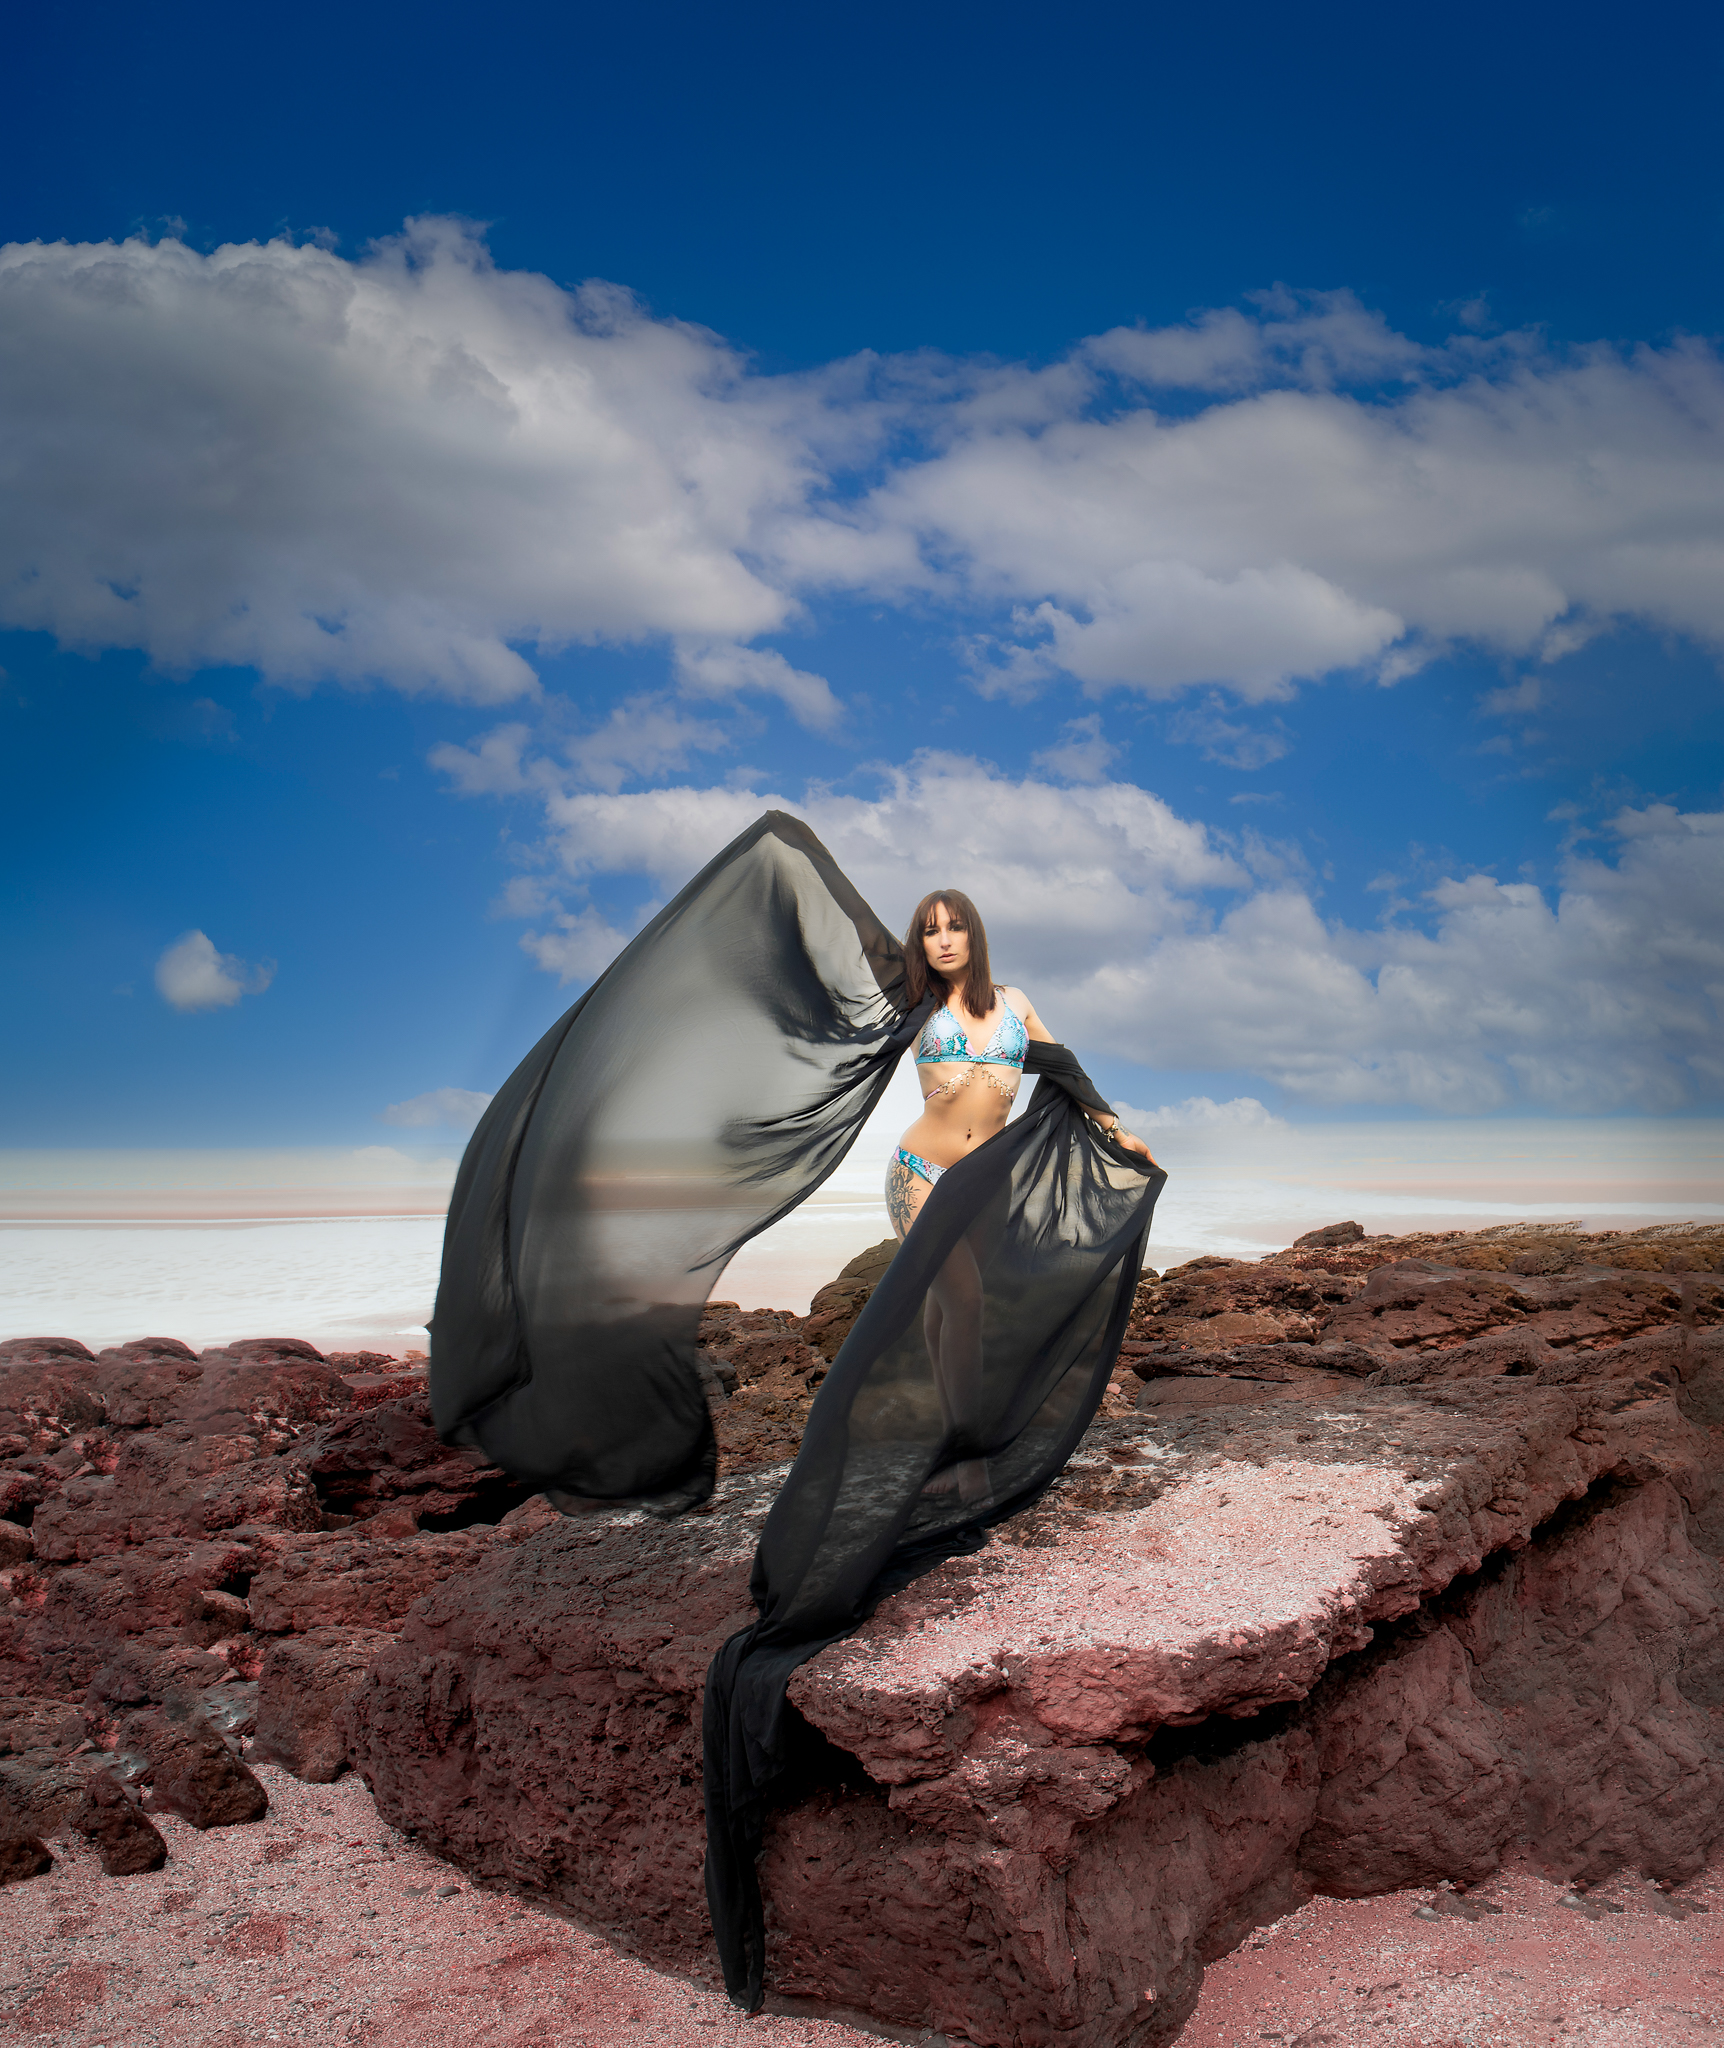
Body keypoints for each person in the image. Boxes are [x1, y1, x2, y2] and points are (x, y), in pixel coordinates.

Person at [887, 889, 1157, 1503]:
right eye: (931, 931)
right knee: (966, 1303)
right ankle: (972, 1465)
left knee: (945, 1310)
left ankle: (945, 1451)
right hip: (920, 1172)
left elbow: (1061, 1064)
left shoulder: (1014, 1002)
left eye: (956, 928)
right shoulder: (913, 1002)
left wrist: (1115, 1126)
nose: (945, 940)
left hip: (989, 1180)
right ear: (919, 943)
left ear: (974, 935)